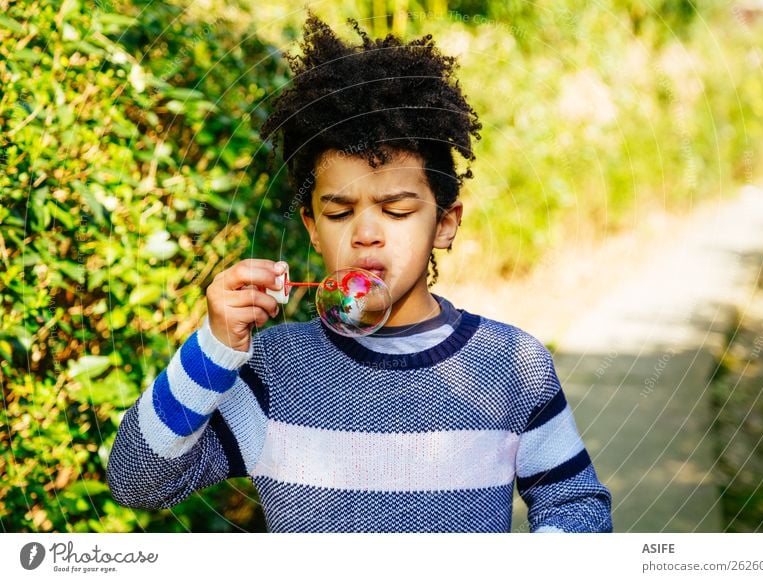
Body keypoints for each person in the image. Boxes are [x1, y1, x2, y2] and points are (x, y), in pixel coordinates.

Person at [107, 13, 612, 533]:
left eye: (395, 209)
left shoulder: (511, 367)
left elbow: (576, 505)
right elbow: (136, 480)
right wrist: (214, 347)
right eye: (340, 212)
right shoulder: (274, 372)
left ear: (445, 222)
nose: (366, 233)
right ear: (311, 228)